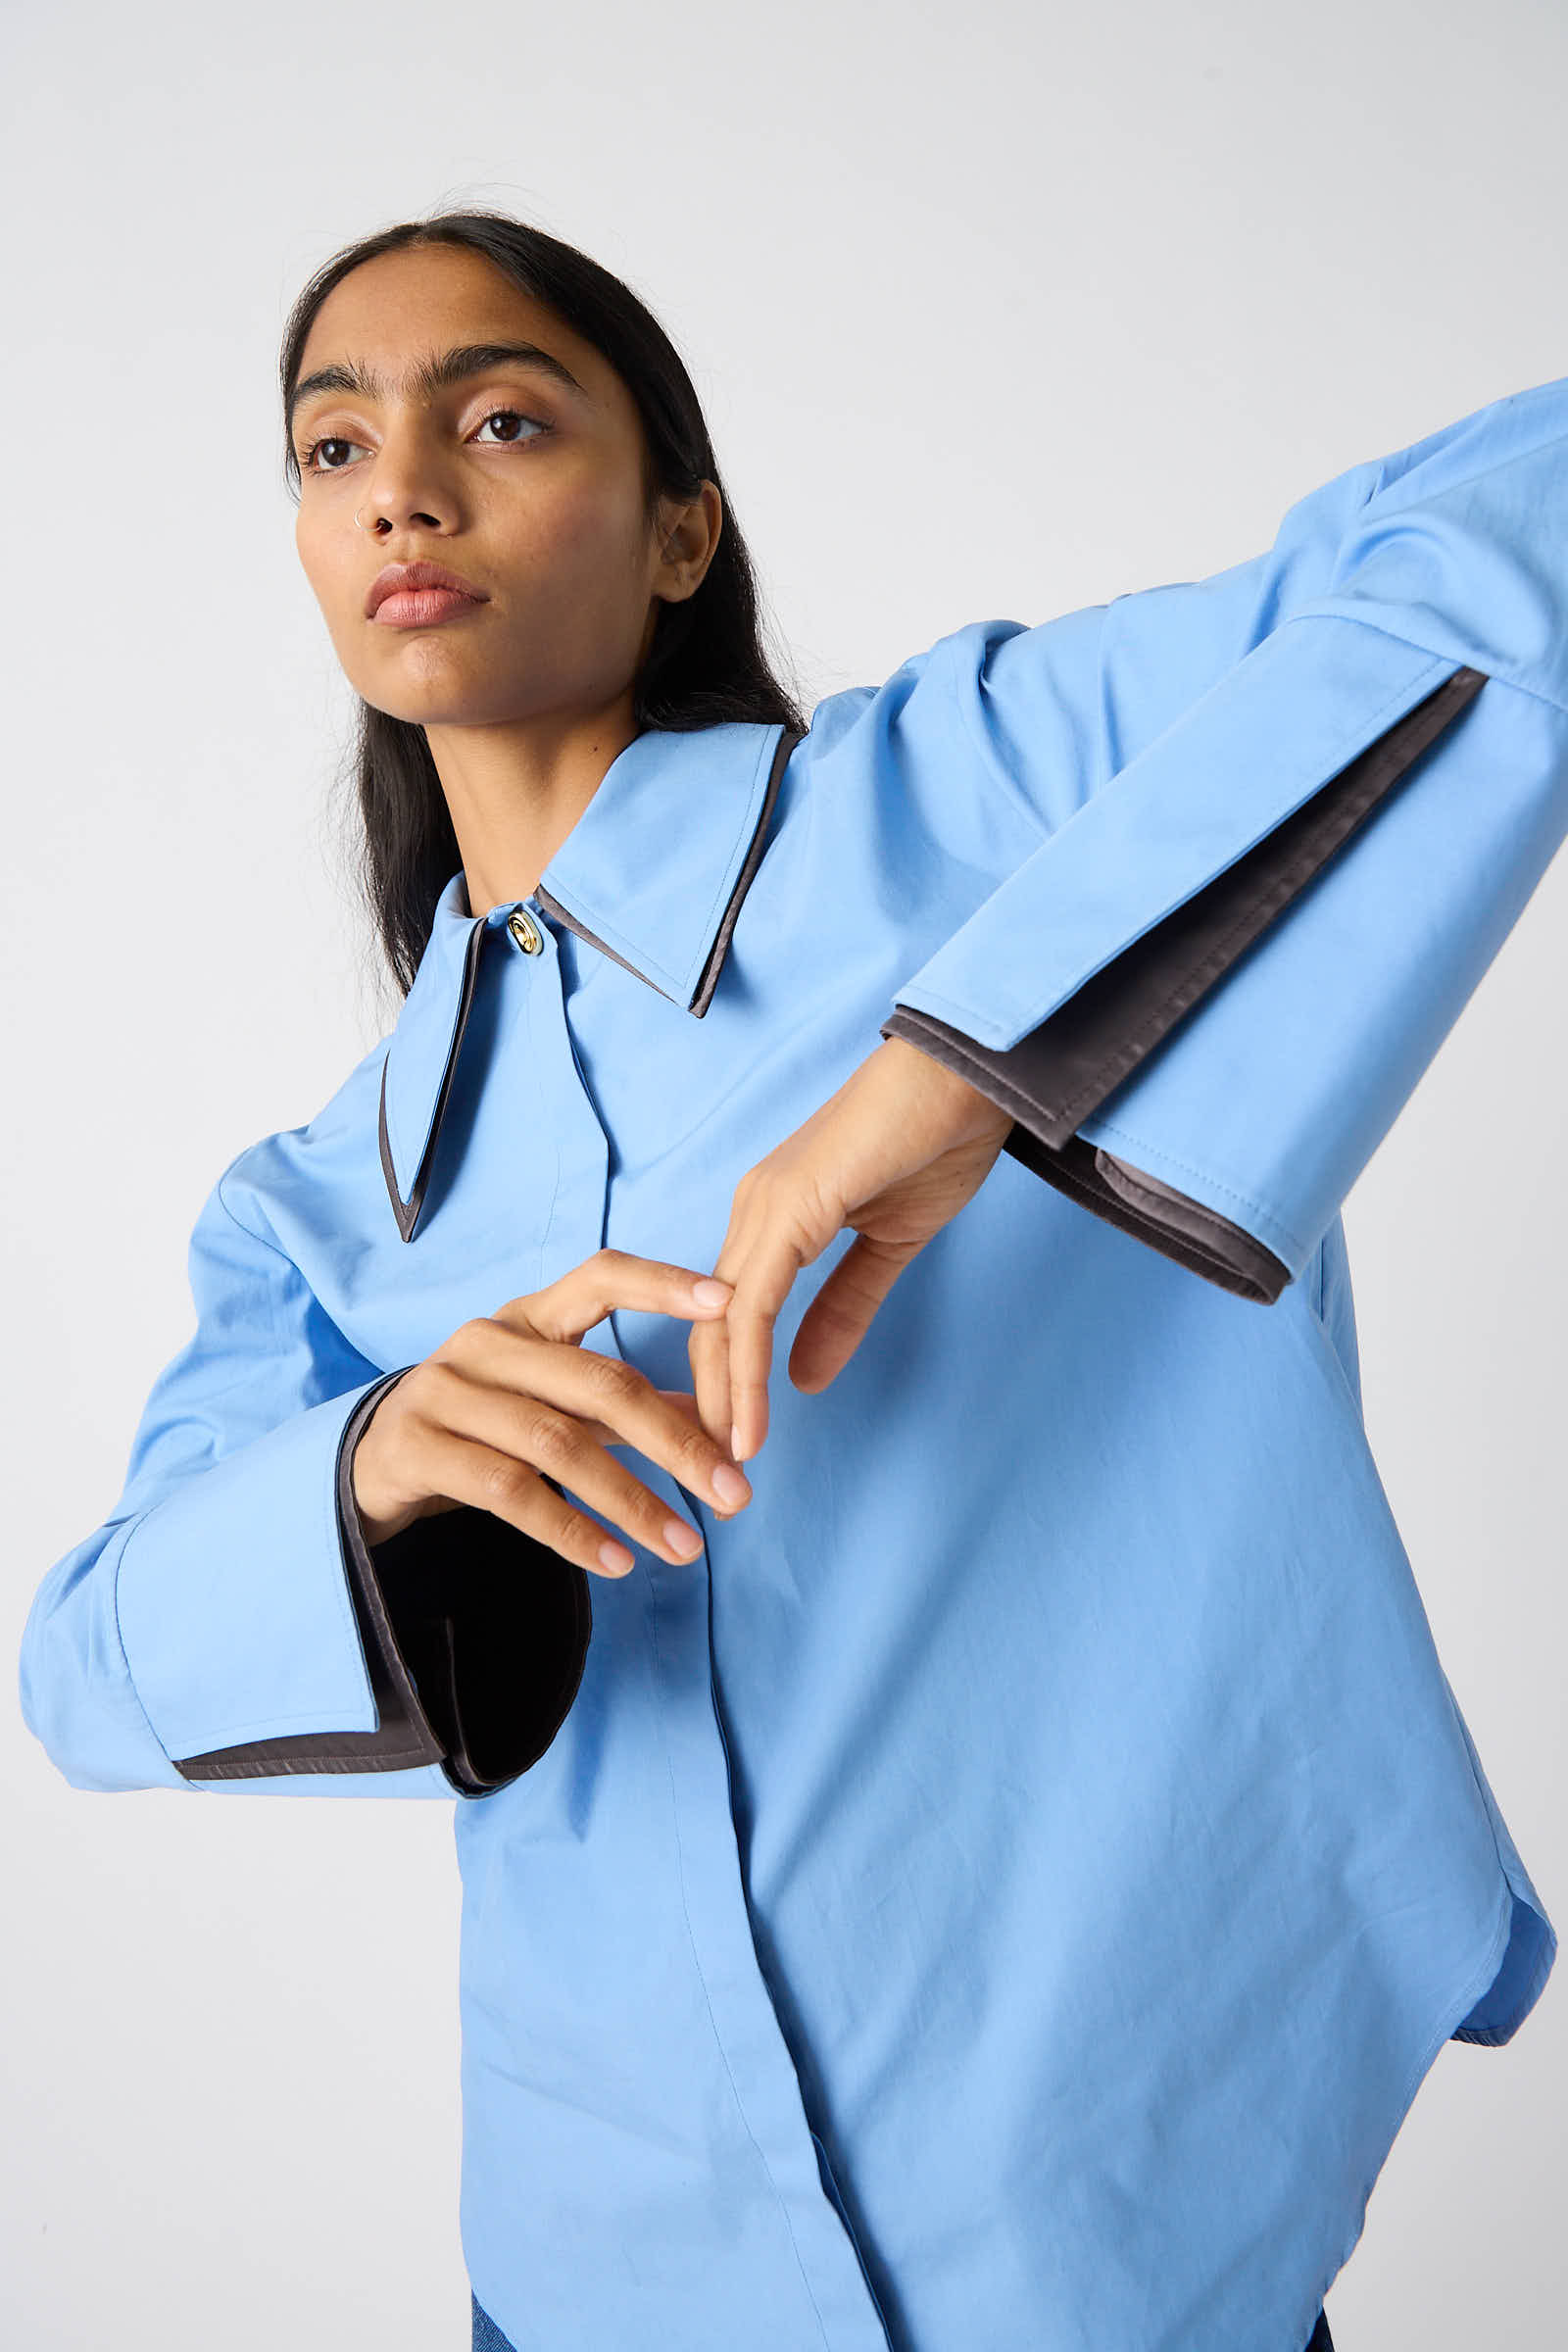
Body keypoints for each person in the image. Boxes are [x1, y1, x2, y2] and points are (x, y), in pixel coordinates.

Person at [18, 206, 1565, 2352]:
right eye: (329, 444)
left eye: (499, 416)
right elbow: (85, 1669)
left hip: (1121, 2269)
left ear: (677, 532)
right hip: (580, 2288)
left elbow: (1526, 507)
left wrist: (974, 1054)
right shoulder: (324, 1197)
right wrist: (366, 1475)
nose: (401, 485)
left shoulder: (986, 792)